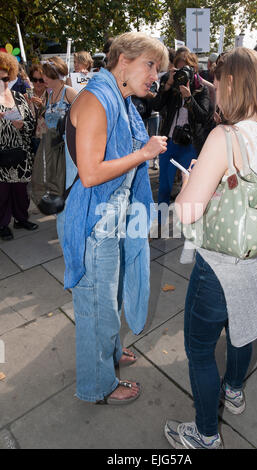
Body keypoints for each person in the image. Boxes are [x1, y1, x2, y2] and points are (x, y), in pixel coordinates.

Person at [164, 48, 257, 449]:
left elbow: (186, 213)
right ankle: (233, 391)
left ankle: (205, 435)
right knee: (243, 332)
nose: (213, 86)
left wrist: (188, 186)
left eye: (218, 79)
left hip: (219, 263)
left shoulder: (226, 136)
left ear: (233, 83)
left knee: (200, 350)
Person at [60, 32, 168, 404]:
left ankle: (109, 352)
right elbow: (91, 174)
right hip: (95, 223)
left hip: (113, 216)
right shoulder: (96, 100)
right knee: (95, 307)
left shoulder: (117, 97)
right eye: (150, 65)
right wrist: (144, 154)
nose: (156, 75)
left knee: (110, 298)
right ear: (123, 59)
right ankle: (97, 386)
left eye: (159, 68)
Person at [152, 48, 213, 220]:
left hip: (190, 145)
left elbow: (203, 117)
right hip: (169, 142)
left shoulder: (200, 89)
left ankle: (188, 222)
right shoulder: (169, 83)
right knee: (164, 186)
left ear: (194, 70)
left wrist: (189, 98)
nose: (183, 74)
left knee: (189, 188)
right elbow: (155, 106)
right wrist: (169, 84)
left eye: (186, 69)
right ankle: (160, 222)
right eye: (180, 70)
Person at [0, 52, 37, 241]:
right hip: (1, 155)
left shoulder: (18, 97)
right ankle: (2, 224)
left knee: (21, 191)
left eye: (6, 77)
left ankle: (21, 218)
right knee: (2, 192)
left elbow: (31, 123)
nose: (3, 81)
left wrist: (23, 125)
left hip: (21, 154)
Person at [26, 63, 48, 153]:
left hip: (48, 140)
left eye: (41, 80)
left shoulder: (52, 94)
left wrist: (42, 107)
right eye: (34, 80)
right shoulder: (26, 95)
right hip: (31, 140)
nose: (38, 83)